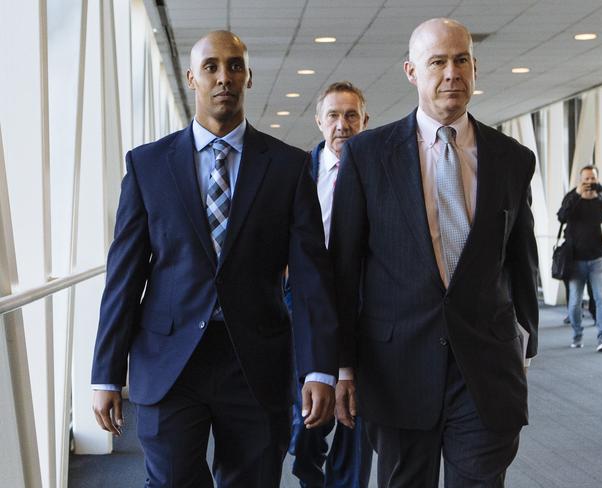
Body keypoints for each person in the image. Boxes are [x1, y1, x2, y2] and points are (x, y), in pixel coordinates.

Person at [90, 31, 338, 488]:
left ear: (248, 76)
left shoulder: (287, 167)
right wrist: (105, 373)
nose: (224, 77)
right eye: (211, 67)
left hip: (256, 361)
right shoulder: (148, 166)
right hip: (169, 361)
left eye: (235, 66)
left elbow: (310, 278)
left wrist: (320, 366)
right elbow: (124, 276)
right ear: (192, 78)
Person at [329, 18, 539, 487]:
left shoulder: (513, 158)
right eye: (437, 62)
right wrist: (341, 364)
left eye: (461, 60)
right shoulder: (367, 156)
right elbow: (343, 269)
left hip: (485, 369)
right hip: (396, 368)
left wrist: (526, 338)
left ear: (475, 67)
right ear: (411, 71)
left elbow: (520, 258)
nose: (451, 73)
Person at [288, 82, 373, 488]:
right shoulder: (295, 172)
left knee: (357, 417)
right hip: (304, 304)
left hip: (364, 305)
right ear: (319, 121)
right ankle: (309, 473)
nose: (343, 124)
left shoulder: (380, 172)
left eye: (351, 115)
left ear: (365, 121)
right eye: (334, 116)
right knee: (307, 418)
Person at [557, 165, 602, 351]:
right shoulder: (572, 198)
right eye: (586, 179)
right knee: (575, 302)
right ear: (580, 180)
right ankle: (577, 335)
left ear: (597, 179)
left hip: (598, 258)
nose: (589, 182)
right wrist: (577, 194)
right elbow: (561, 217)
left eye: (592, 178)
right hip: (575, 260)